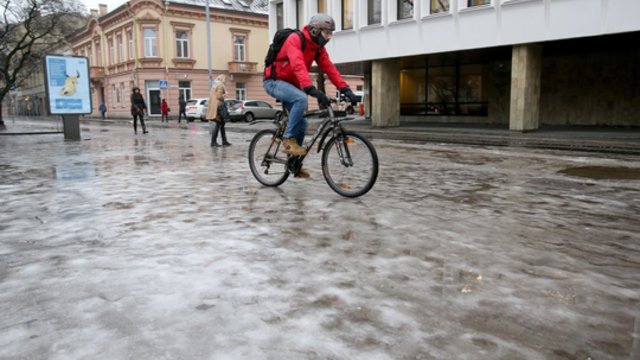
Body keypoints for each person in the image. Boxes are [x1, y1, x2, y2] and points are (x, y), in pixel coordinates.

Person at [263, 14, 358, 178]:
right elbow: (298, 65)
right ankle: (287, 140)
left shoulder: (318, 49)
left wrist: (345, 89)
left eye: (330, 34)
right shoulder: (295, 39)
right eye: (326, 33)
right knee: (301, 98)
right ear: (315, 30)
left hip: (291, 85)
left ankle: (293, 163)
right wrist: (310, 88)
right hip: (273, 81)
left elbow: (330, 69)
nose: (328, 37)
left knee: (303, 123)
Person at [206, 74, 231, 147]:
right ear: (223, 79)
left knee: (222, 124)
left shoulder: (214, 85)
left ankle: (224, 141)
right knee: (218, 124)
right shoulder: (220, 85)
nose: (226, 81)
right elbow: (219, 96)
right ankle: (213, 142)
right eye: (226, 80)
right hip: (218, 107)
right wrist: (225, 95)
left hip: (215, 107)